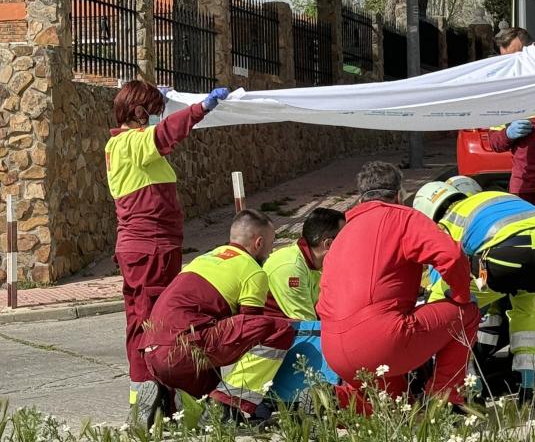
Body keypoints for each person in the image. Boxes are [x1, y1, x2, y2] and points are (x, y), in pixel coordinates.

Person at [104, 80, 229, 423]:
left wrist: (164, 101)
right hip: (152, 248)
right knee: (157, 324)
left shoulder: (120, 145)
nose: (156, 115)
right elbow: (165, 133)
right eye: (152, 109)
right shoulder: (133, 143)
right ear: (138, 111)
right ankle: (154, 400)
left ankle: (152, 398)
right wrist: (201, 108)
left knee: (141, 321)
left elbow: (158, 134)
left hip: (140, 249)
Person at [319, 162, 479, 415]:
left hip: (333, 348)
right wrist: (461, 294)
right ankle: (444, 398)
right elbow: (451, 256)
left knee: (399, 408)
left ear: (360, 197)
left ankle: (335, 399)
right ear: (398, 194)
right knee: (467, 313)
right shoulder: (403, 217)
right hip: (382, 340)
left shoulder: (344, 230)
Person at [141, 210, 296, 423]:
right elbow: (251, 328)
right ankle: (228, 404)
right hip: (185, 348)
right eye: (271, 244)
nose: (271, 251)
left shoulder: (204, 258)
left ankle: (164, 401)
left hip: (152, 350)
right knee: (278, 329)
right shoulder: (253, 271)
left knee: (207, 400)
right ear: (259, 243)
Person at [414, 178, 535, 403]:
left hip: (502, 263)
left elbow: (442, 274)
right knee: (527, 312)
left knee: (449, 310)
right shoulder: (494, 198)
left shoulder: (446, 222)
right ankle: (533, 387)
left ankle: (470, 390)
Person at [215, 208, 346, 418]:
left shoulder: (314, 264)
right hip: (273, 343)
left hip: (275, 338)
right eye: (345, 238)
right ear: (328, 244)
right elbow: (307, 324)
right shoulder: (290, 268)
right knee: (323, 333)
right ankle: (308, 395)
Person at [489, 27, 535, 205]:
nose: (512, 65)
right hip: (525, 184)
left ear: (533, 49)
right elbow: (494, 142)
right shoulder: (504, 92)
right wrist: (508, 134)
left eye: (516, 58)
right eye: (506, 60)